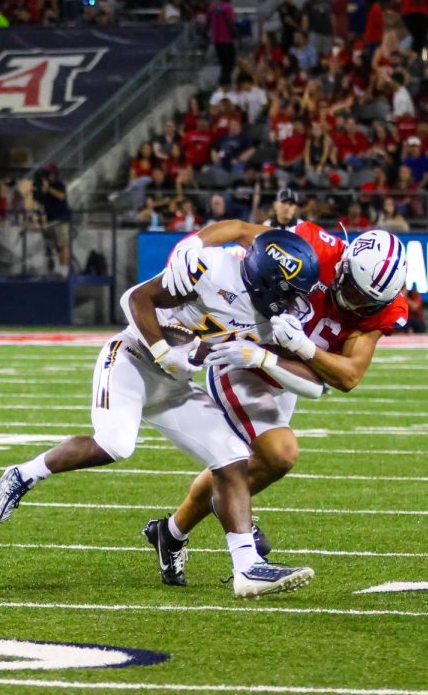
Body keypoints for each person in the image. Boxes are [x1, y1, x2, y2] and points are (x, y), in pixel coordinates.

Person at [0, 230, 324, 598]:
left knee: (233, 459)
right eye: (290, 290)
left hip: (175, 385)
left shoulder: (276, 318)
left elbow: (316, 386)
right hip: (133, 358)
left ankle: (247, 568)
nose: (295, 302)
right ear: (266, 280)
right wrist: (164, 350)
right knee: (116, 444)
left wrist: (292, 349)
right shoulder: (213, 270)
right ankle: (23, 474)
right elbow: (135, 297)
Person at [151, 225, 408, 585]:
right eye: (352, 289)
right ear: (344, 266)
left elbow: (348, 376)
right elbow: (242, 231)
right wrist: (191, 245)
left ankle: (171, 532)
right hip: (240, 355)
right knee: (278, 453)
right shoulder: (315, 246)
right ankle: (245, 558)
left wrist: (304, 348)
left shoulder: (384, 309)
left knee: (256, 466)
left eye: (369, 301)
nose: (357, 302)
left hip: (286, 369)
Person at [33, 164, 71, 275]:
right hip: (51, 220)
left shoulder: (58, 185)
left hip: (61, 219)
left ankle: (64, 269)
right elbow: (41, 203)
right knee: (57, 246)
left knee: (63, 244)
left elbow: (61, 196)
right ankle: (60, 266)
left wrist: (48, 188)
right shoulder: (45, 189)